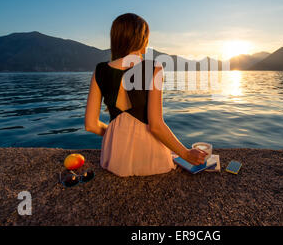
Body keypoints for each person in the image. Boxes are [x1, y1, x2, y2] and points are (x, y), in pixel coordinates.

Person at [85, 13, 207, 176]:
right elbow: (156, 126)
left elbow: (91, 125)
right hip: (150, 157)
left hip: (114, 159)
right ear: (141, 38)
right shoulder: (153, 67)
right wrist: (185, 153)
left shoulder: (100, 70)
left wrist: (118, 136)